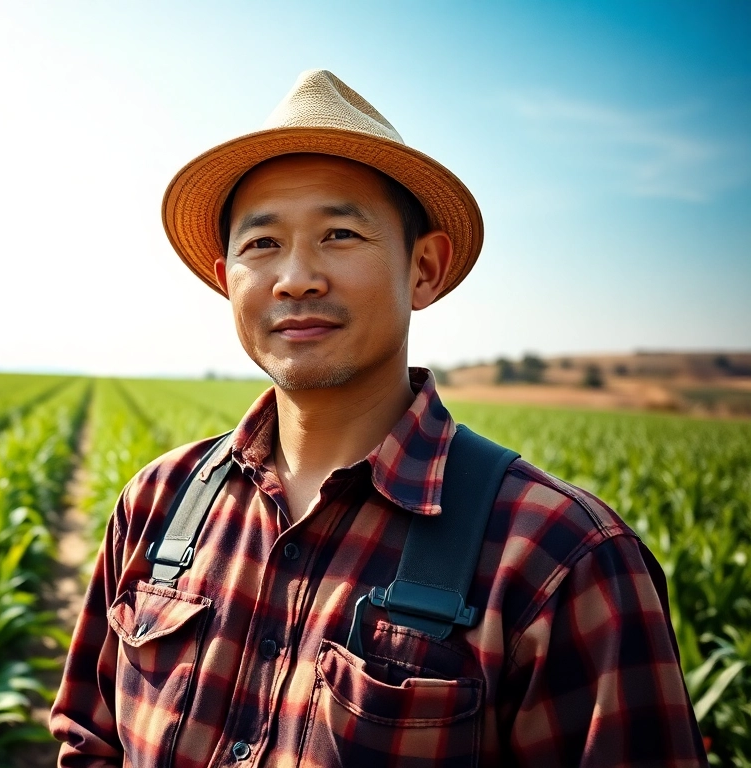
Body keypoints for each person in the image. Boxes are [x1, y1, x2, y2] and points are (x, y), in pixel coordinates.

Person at [49, 70, 706, 766]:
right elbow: (90, 743)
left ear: (423, 269)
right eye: (261, 244)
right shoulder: (159, 502)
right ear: (225, 279)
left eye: (339, 233)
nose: (295, 278)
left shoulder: (559, 557)